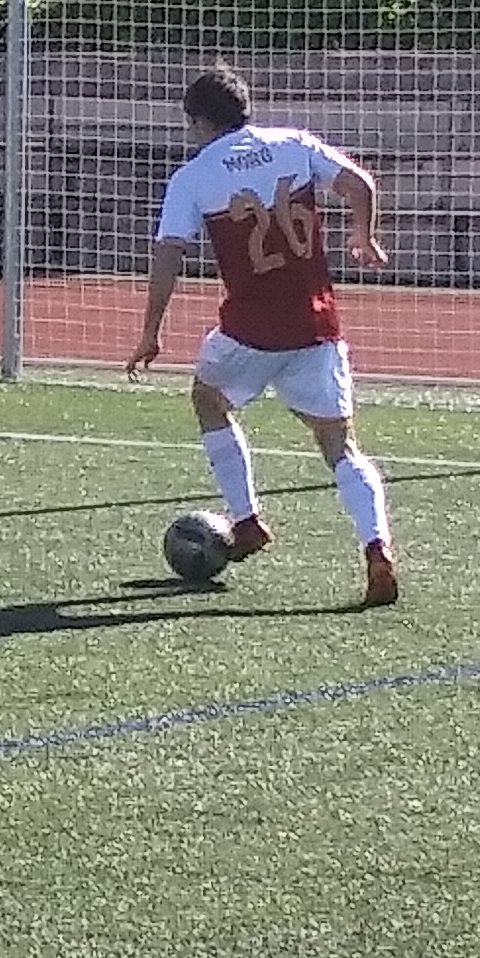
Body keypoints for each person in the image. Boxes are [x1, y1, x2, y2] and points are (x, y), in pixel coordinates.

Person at [128, 66, 400, 609]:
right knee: (341, 448)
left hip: (249, 332)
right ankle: (378, 549)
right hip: (315, 328)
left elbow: (169, 254)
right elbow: (360, 184)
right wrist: (363, 235)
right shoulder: (294, 144)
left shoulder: (194, 176)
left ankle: (247, 520)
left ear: (199, 122)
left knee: (208, 398)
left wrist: (150, 332)